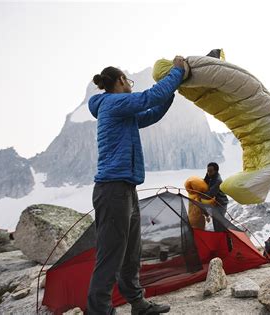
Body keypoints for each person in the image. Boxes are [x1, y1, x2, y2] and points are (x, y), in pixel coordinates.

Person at [87, 56, 186, 315]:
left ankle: (138, 304)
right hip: (112, 190)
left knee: (131, 253)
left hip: (125, 189)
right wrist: (175, 72)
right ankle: (100, 311)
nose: (130, 84)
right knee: (110, 256)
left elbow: (151, 113)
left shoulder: (121, 111)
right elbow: (148, 99)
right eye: (128, 80)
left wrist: (172, 90)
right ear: (121, 81)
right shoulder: (113, 103)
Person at [203, 162, 229, 232]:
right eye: (207, 171)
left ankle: (225, 240)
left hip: (220, 204)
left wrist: (199, 194)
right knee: (216, 222)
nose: (208, 173)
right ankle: (220, 239)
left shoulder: (218, 181)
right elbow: (204, 182)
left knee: (219, 224)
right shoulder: (210, 175)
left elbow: (210, 195)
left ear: (216, 171)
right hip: (215, 204)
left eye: (210, 171)